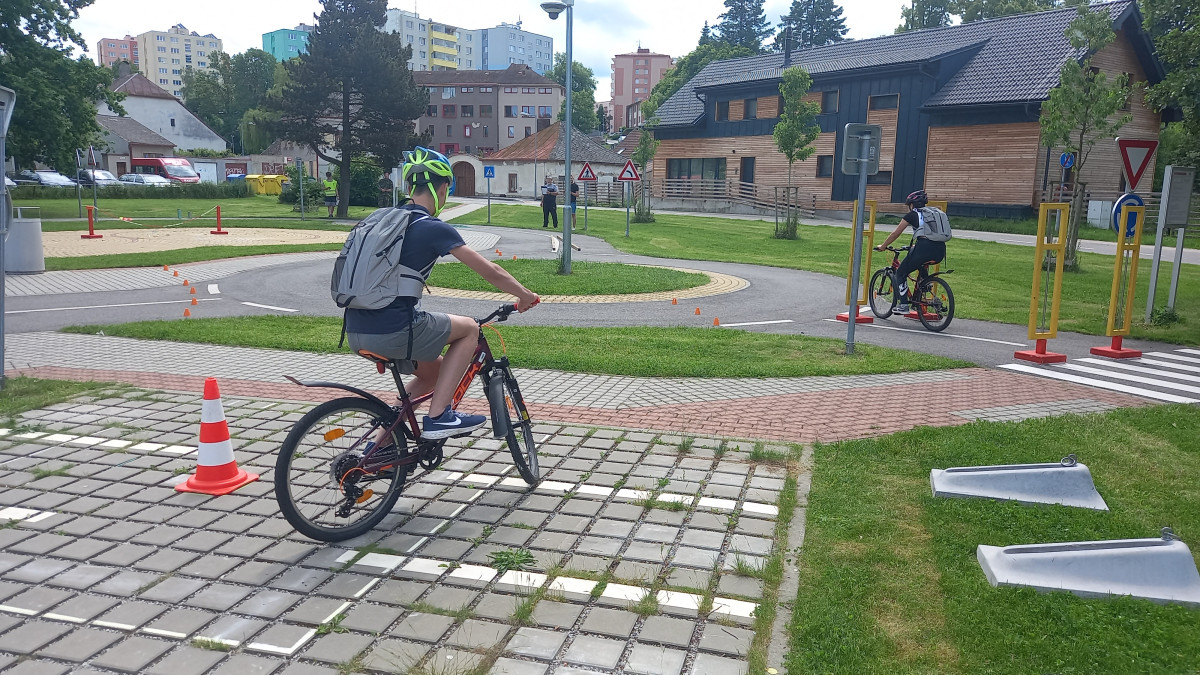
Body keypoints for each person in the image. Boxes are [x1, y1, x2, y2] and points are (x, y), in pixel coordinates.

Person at [346, 147, 540, 439]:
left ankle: (386, 441)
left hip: (357, 329)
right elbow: (491, 272)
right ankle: (439, 416)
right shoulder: (431, 227)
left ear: (410, 187)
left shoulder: (382, 222)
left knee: (434, 373)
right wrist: (525, 296)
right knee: (470, 329)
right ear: (444, 187)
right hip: (396, 329)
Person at [874, 190, 947, 313]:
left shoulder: (913, 214)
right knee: (921, 264)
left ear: (912, 204)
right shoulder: (933, 214)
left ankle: (903, 305)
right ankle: (924, 288)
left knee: (901, 273)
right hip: (940, 250)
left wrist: (883, 246)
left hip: (923, 249)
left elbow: (895, 233)